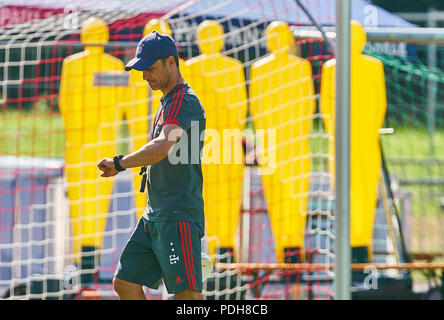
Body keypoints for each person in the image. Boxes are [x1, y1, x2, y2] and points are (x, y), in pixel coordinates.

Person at [97, 30, 206, 300]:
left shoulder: (184, 100)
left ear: (171, 62)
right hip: (155, 214)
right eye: (141, 70)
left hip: (176, 214)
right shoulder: (167, 100)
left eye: (150, 68)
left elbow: (162, 146)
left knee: (187, 297)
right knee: (124, 282)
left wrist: (120, 163)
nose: (145, 75)